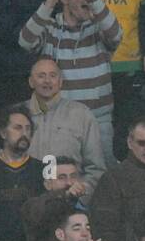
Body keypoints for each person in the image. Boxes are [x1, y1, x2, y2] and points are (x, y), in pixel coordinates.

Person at [17, 0, 123, 164]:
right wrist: (51, 1)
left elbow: (116, 34)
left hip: (98, 119)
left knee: (102, 177)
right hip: (61, 120)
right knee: (61, 176)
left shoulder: (99, 26)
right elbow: (25, 41)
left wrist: (95, 1)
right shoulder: (50, 27)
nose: (89, 0)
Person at [25, 55, 106, 195]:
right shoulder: (17, 116)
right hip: (27, 203)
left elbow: (96, 169)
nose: (47, 81)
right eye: (41, 76)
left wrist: (79, 196)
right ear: (31, 81)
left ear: (61, 81)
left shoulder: (81, 114)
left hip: (70, 204)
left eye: (53, 75)